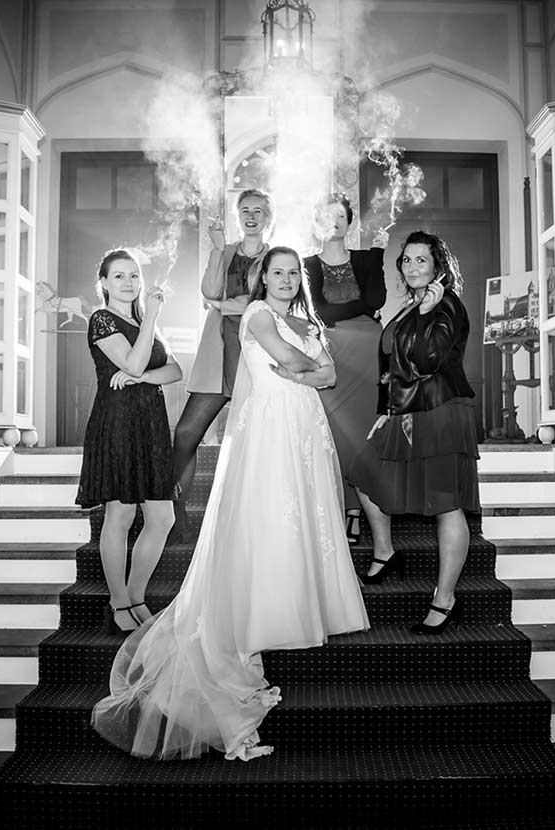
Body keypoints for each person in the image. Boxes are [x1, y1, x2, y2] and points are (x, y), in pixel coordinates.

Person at [91, 246, 370, 761]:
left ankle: (290, 599)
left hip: (303, 429)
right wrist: (309, 366)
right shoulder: (260, 315)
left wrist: (310, 369)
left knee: (299, 523)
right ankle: (237, 612)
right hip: (268, 432)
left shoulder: (305, 318)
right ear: (262, 277)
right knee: (264, 518)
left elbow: (328, 375)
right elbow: (295, 361)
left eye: (292, 273)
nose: (285, 279)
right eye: (276, 272)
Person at [348, 231, 480, 634]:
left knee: (445, 504)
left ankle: (445, 598)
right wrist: (382, 411)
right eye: (406, 260)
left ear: (438, 266)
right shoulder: (408, 306)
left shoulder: (447, 305)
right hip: (404, 413)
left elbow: (429, 360)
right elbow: (391, 367)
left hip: (440, 413)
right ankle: (385, 552)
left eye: (421, 260)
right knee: (362, 473)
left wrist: (428, 313)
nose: (412, 267)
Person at [75, 249, 182, 634]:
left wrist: (141, 377)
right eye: (119, 276)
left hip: (150, 424)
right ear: (103, 282)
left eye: (134, 275)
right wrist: (151, 321)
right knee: (120, 514)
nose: (129, 282)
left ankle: (137, 596)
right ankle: (119, 602)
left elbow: (173, 371)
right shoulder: (101, 320)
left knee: (162, 516)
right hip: (117, 422)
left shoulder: (143, 322)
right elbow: (134, 362)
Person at [169, 188, 272, 541]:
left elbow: (265, 304)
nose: (251, 215)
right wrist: (216, 249)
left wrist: (229, 305)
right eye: (245, 209)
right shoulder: (225, 252)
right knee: (184, 435)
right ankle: (174, 514)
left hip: (256, 357)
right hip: (219, 353)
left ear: (268, 217)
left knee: (260, 446)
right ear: (237, 215)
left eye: (259, 210)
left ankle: (259, 523)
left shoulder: (276, 258)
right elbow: (210, 293)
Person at [302, 194, 388, 542]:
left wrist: (379, 257)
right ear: (317, 223)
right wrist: (358, 310)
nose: (334, 220)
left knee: (363, 431)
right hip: (331, 351)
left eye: (341, 215)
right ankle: (338, 507)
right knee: (334, 432)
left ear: (349, 223)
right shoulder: (305, 264)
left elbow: (376, 301)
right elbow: (318, 311)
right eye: (327, 215)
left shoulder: (368, 259)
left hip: (368, 349)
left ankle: (356, 511)